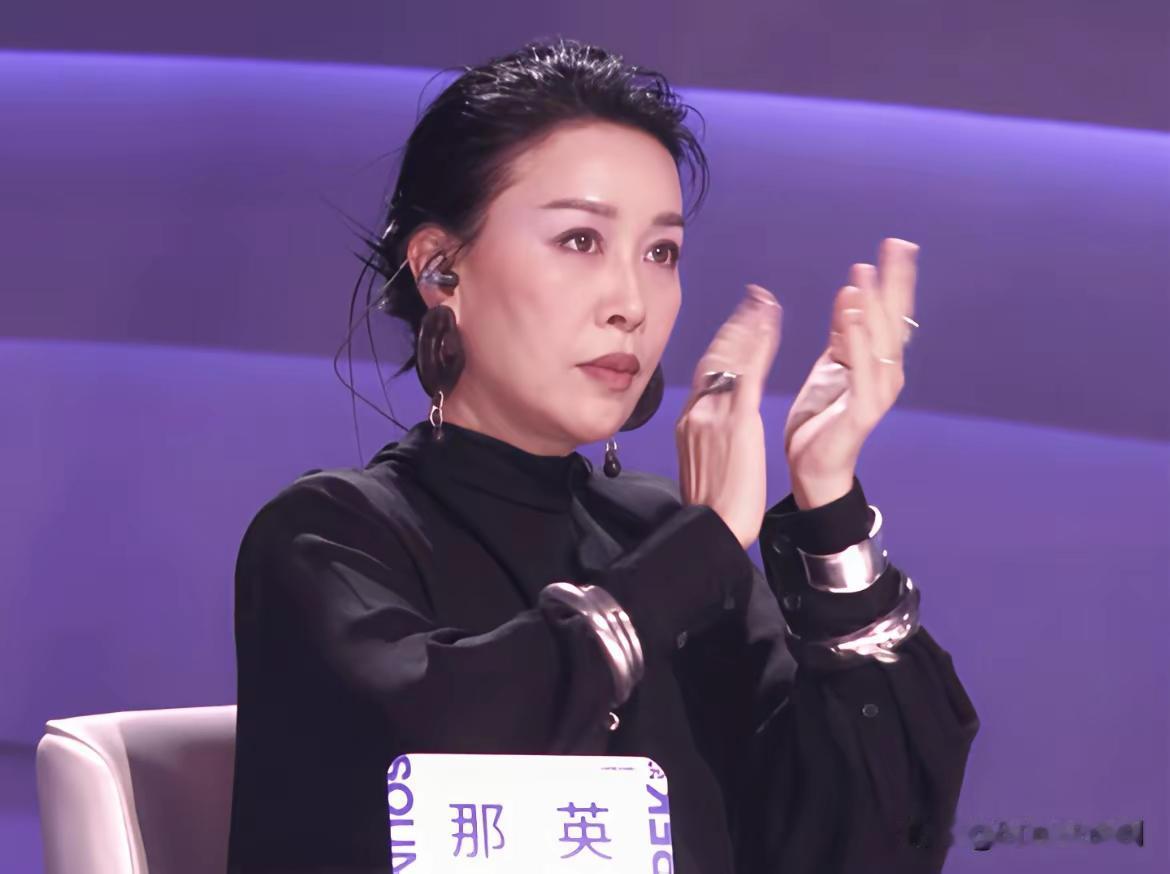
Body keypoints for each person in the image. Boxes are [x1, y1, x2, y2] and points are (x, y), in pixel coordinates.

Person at [227, 37, 979, 874]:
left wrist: (828, 504)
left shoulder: (658, 536)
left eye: (661, 253)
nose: (632, 303)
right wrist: (701, 548)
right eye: (581, 240)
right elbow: (447, 745)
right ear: (441, 270)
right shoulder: (330, 537)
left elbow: (871, 843)